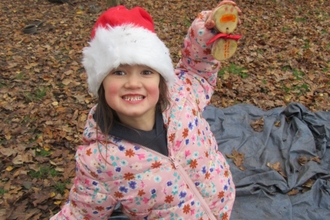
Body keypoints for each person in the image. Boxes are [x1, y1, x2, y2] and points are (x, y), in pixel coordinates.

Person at [50, 1, 242, 219]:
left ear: (161, 78)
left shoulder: (181, 97)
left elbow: (197, 70)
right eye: (119, 72)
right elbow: (79, 213)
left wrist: (209, 30)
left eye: (146, 72)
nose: (133, 83)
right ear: (101, 83)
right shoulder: (99, 160)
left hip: (223, 204)